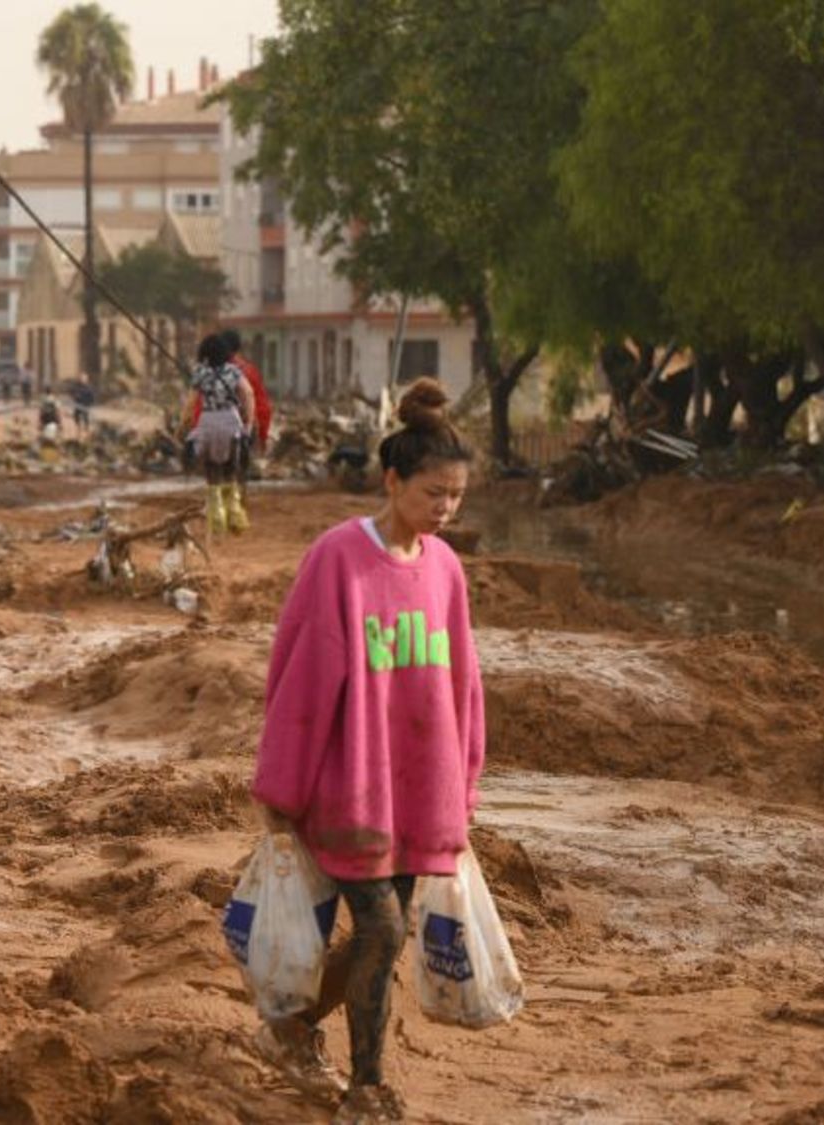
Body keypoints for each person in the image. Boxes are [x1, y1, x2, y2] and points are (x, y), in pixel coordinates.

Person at [250, 378, 485, 1125]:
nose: (444, 509)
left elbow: (462, 684)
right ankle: (366, 1087)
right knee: (382, 929)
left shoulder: (446, 569)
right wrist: (281, 787)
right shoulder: (339, 559)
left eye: (455, 495)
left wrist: (464, 785)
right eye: (431, 493)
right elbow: (305, 676)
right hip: (351, 786)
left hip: (420, 789)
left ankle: (290, 1026)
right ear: (392, 480)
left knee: (385, 932)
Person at [181, 334, 256, 537]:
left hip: (208, 422)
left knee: (212, 471)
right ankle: (236, 517)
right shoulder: (234, 372)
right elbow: (248, 394)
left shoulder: (200, 373)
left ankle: (217, 522)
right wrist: (248, 423)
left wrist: (183, 425)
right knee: (231, 470)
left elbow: (190, 404)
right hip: (230, 421)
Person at [221, 329, 275, 497]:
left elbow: (201, 404)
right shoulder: (249, 370)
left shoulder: (213, 371)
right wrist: (262, 435)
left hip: (221, 426)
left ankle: (225, 500)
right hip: (246, 426)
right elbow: (263, 406)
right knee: (241, 468)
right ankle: (238, 500)